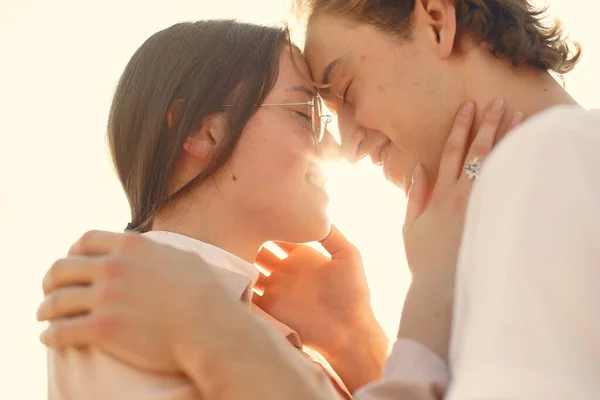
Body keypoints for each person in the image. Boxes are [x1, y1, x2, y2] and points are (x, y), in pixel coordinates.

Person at [39, 0, 600, 398]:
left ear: (436, 19)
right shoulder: (120, 302)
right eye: (311, 112)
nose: (344, 146)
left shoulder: (549, 161)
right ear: (203, 132)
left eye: (343, 92)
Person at [42, 19, 357, 400]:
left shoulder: (246, 322)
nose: (336, 149)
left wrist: (354, 342)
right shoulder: (120, 311)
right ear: (202, 131)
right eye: (305, 115)